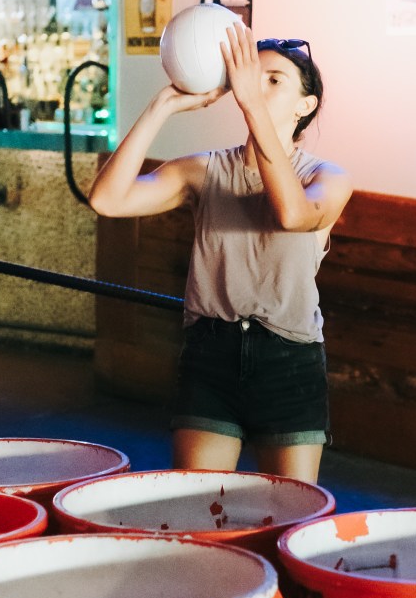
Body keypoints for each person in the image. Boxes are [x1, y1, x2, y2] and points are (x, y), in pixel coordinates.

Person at [89, 24, 352, 482]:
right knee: (198, 503)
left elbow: (291, 213)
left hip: (290, 359)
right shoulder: (204, 169)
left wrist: (251, 102)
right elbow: (108, 201)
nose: (256, 85)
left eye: (274, 80)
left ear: (305, 106)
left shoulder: (326, 177)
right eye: (254, 76)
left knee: (289, 510)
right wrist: (163, 105)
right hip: (212, 352)